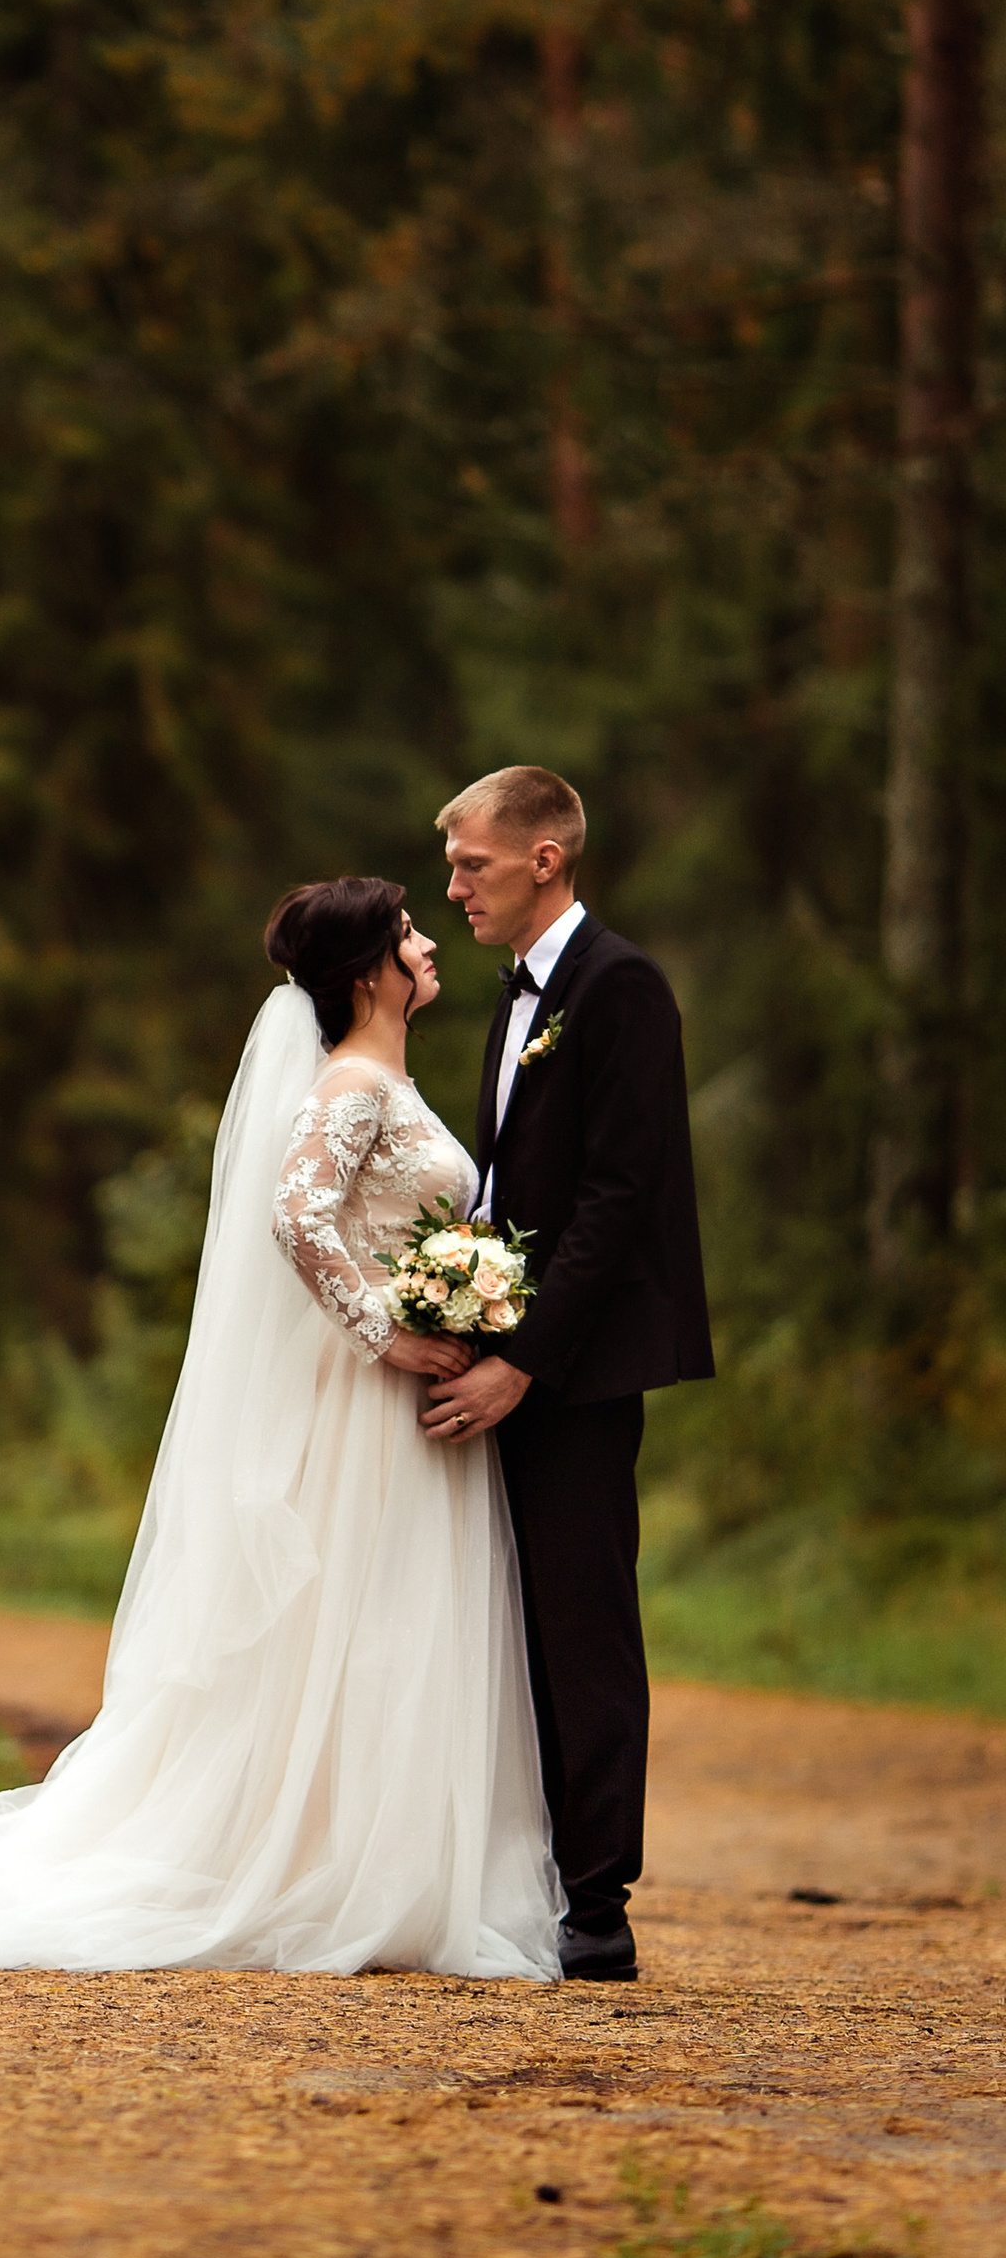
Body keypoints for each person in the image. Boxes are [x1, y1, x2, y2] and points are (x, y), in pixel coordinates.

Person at [0, 878, 563, 1979]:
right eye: (408, 933)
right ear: (368, 971)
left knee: (385, 1620)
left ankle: (370, 1861)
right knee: (355, 1615)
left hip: (400, 1395)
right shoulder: (350, 1084)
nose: (428, 943)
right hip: (363, 1406)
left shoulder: (387, 1080)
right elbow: (296, 1217)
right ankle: (314, 1867)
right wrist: (388, 1332)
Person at [422, 768, 712, 1984]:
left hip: (579, 1374)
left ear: (544, 858)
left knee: (582, 1624)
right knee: (513, 1623)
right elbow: (512, 1187)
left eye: (471, 865)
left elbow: (618, 1198)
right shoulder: (515, 994)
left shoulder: (619, 986)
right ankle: (527, 1881)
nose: (453, 888)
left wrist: (523, 1363)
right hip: (511, 1351)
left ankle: (598, 1903)